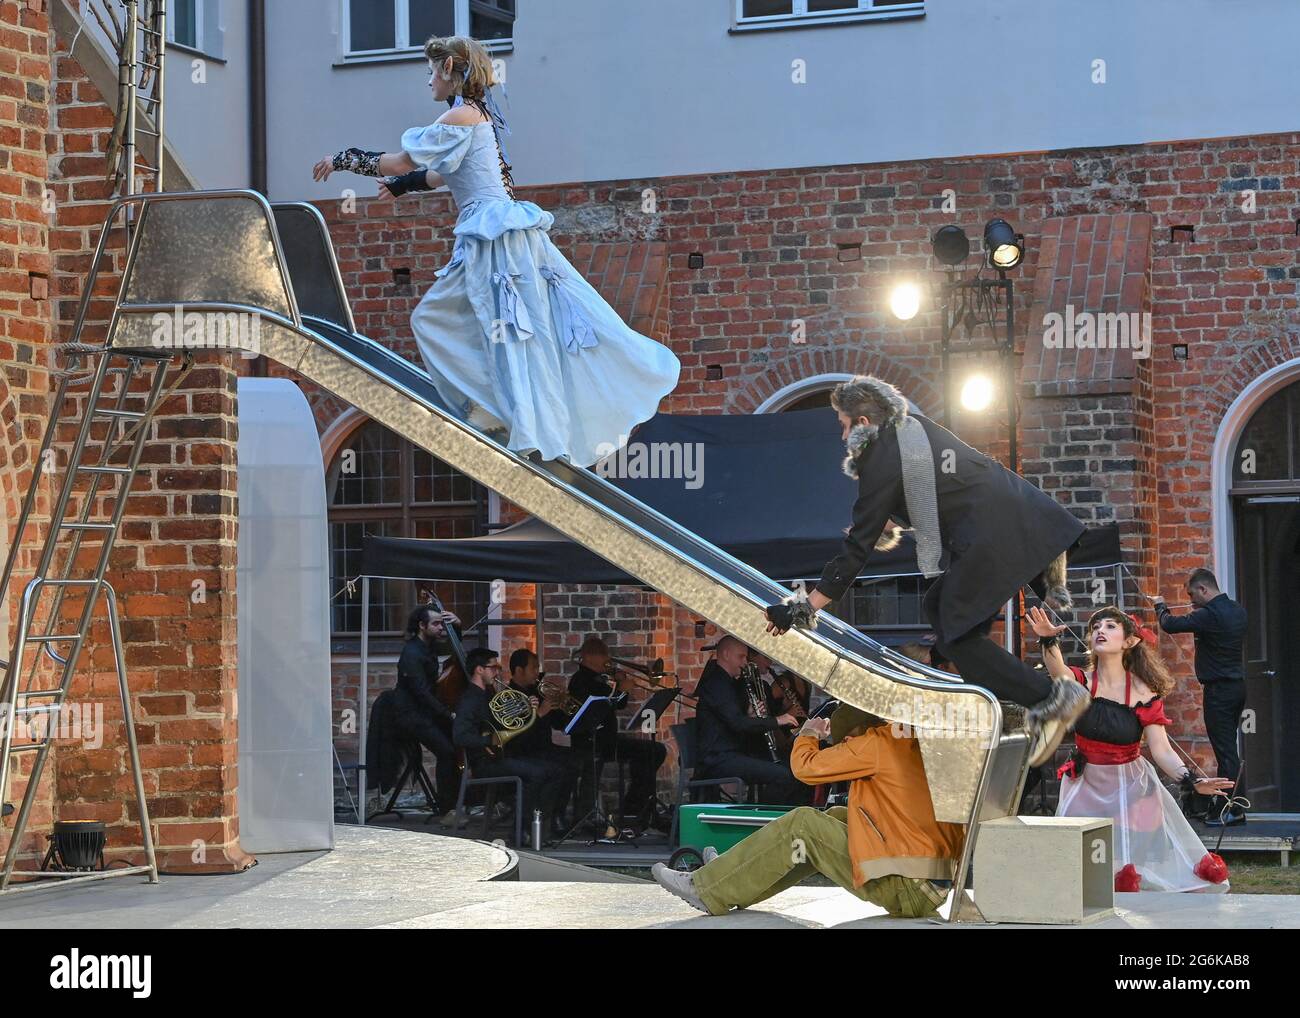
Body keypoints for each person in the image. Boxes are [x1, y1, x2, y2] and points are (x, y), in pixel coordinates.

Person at [312, 35, 679, 467]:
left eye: (431, 72)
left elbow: (399, 161)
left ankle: (512, 421)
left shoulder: (461, 115)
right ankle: (501, 415)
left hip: (494, 240)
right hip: (495, 235)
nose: (428, 81)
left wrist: (341, 159)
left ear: (449, 68)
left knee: (501, 332)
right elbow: (438, 177)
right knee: (485, 328)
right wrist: (401, 188)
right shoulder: (476, 117)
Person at [764, 375, 1090, 767]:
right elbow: (934, 489)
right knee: (943, 614)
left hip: (993, 533)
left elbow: (857, 550)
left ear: (864, 423)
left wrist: (805, 605)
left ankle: (1050, 701)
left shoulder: (881, 452)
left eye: (844, 425)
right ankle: (1016, 712)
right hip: (1006, 524)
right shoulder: (911, 432)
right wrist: (886, 525)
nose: (842, 435)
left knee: (954, 627)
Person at [652, 704, 964, 918]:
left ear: (857, 732)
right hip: (928, 883)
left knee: (803, 824)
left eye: (846, 742)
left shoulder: (875, 743)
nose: (845, 747)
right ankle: (732, 876)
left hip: (907, 887)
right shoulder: (906, 737)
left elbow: (804, 768)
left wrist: (809, 734)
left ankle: (707, 888)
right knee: (834, 818)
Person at [1028, 605, 1234, 892]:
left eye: (1110, 626)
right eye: (1096, 627)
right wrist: (1048, 640)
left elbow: (1161, 749)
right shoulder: (1081, 681)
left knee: (1131, 863)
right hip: (1085, 782)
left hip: (1130, 785)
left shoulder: (1144, 691)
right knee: (1071, 849)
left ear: (1130, 641)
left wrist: (1192, 780)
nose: (1100, 630)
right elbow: (1058, 672)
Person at [1153, 568, 1249, 826]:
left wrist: (1160, 605)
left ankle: (1231, 809)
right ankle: (1235, 805)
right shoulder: (1238, 610)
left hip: (1219, 691)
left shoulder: (1209, 615)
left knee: (1225, 751)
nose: (1192, 600)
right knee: (1229, 749)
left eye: (1192, 594)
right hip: (1237, 687)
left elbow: (1169, 625)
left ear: (1204, 589)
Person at [452, 647, 571, 839]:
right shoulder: (469, 699)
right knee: (538, 773)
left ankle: (537, 827)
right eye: (493, 667)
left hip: (499, 756)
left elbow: (502, 722)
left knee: (555, 770)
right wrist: (488, 739)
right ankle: (521, 831)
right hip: (484, 762)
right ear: (479, 670)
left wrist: (528, 709)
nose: (498, 672)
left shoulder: (488, 694)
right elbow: (459, 736)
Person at [567, 636, 668, 831]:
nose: (608, 660)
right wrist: (621, 690)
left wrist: (621, 687)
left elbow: (617, 702)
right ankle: (597, 814)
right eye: (603, 656)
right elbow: (608, 703)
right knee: (643, 752)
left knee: (655, 750)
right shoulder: (581, 680)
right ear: (589, 657)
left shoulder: (597, 677)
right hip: (590, 741)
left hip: (607, 739)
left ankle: (635, 806)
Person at [693, 636, 806, 805]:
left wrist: (751, 716)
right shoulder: (717, 684)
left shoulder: (729, 683)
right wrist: (777, 721)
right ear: (726, 654)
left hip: (733, 753)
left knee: (792, 770)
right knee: (783, 776)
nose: (745, 662)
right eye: (741, 657)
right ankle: (762, 820)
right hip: (718, 759)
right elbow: (737, 723)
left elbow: (735, 720)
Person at [392, 605, 462, 814]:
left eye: (442, 623)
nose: (441, 627)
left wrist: (457, 626)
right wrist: (447, 714)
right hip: (410, 714)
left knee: (457, 742)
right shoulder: (412, 653)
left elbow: (453, 648)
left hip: (425, 711)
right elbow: (421, 693)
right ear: (422, 626)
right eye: (436, 623)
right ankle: (446, 809)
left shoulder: (429, 645)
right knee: (447, 752)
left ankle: (458, 801)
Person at [507, 648, 580, 838]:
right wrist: (540, 713)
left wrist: (560, 706)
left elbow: (557, 725)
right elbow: (518, 735)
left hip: (543, 748)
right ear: (519, 670)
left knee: (575, 761)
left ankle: (558, 814)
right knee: (558, 768)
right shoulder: (510, 696)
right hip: (523, 751)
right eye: (533, 668)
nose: (537, 673)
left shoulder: (536, 692)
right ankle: (544, 820)